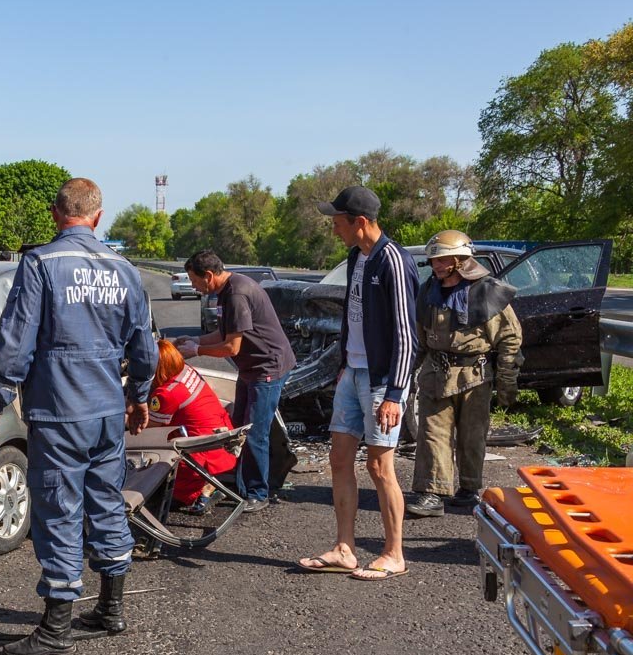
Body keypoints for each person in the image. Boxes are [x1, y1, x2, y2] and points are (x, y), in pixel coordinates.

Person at [0, 177, 156, 655]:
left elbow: (16, 343)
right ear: (98, 217)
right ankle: (111, 610)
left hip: (59, 413)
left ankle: (57, 629)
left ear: (57, 215)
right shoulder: (125, 270)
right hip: (106, 412)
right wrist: (139, 397)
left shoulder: (39, 264)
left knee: (59, 510)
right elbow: (144, 345)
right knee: (107, 502)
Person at [298, 185, 418, 581]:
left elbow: (406, 334)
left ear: (359, 222)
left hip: (383, 380)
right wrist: (345, 364)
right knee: (339, 460)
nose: (335, 230)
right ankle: (345, 549)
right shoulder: (356, 258)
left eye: (337, 223)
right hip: (352, 372)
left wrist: (396, 394)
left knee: (380, 467)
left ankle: (394, 553)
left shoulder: (394, 263)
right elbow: (355, 317)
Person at [405, 231, 523, 518]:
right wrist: (406, 376)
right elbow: (418, 339)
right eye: (433, 259)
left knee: (472, 437)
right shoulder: (427, 292)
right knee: (432, 434)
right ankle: (431, 493)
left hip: (474, 376)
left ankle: (468, 490)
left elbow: (510, 338)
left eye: (442, 258)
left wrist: (507, 381)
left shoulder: (487, 292)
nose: (435, 264)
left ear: (460, 260)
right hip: (436, 373)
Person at [174, 250, 296, 513]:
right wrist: (194, 340)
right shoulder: (226, 292)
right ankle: (239, 485)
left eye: (194, 280)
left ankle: (257, 492)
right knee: (237, 428)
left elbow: (231, 347)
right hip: (251, 368)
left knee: (254, 433)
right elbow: (223, 332)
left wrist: (196, 351)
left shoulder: (237, 293)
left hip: (267, 368)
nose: (194, 286)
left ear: (208, 275)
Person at [146, 338, 238, 514]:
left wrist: (125, 417)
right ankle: (207, 484)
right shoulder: (187, 371)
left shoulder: (167, 393)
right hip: (221, 441)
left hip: (200, 453)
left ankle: (200, 493)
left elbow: (149, 428)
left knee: (162, 486)